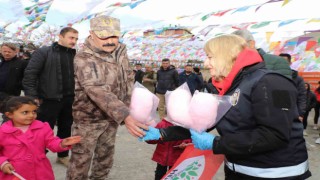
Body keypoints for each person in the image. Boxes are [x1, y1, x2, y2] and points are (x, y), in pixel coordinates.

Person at [141, 35, 311, 179]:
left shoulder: (271, 82)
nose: (206, 63)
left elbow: (276, 135)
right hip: (238, 169)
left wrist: (217, 143)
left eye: (210, 56)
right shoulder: (225, 86)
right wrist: (162, 133)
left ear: (227, 56)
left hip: (276, 173)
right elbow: (201, 124)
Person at [66, 15, 147, 180]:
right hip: (88, 120)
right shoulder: (84, 57)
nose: (110, 41)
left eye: (114, 36)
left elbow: (127, 79)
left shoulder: (121, 52)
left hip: (112, 118)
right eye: (104, 36)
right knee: (80, 162)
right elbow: (95, 88)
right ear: (91, 34)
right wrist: (125, 114)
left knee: (105, 160)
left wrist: (135, 105)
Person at [22, 27, 79, 166]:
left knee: (66, 128)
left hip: (70, 99)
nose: (74, 42)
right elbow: (30, 74)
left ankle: (63, 155)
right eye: (71, 38)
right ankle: (37, 156)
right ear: (60, 36)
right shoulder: (44, 52)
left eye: (76, 39)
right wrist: (32, 97)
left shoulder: (75, 55)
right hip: (48, 99)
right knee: (42, 130)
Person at [0, 96, 81, 180]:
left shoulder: (42, 127)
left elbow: (51, 142)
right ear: (9, 115)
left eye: (34, 111)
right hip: (15, 172)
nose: (31, 115)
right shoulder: (2, 132)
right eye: (25, 112)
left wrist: (62, 143)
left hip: (40, 171)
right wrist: (3, 163)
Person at [279, 53, 306, 122]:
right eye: (279, 62)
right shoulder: (271, 77)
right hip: (276, 114)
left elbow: (302, 97)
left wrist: (300, 114)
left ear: (290, 63)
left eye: (284, 62)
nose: (282, 64)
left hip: (293, 116)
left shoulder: (297, 79)